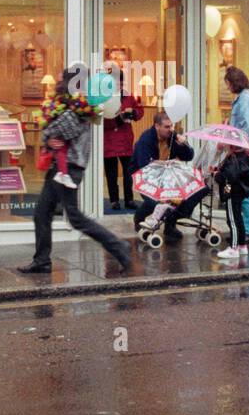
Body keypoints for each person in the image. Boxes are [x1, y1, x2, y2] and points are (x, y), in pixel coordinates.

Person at [18, 65, 132, 276]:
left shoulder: (79, 108)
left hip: (68, 169)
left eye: (61, 80)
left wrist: (48, 135)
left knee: (75, 218)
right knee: (42, 213)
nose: (57, 84)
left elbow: (56, 130)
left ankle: (119, 247)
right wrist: (50, 137)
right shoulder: (73, 106)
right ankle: (42, 260)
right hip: (60, 168)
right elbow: (52, 133)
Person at [132, 111, 208, 239]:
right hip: (147, 175)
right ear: (157, 126)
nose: (171, 129)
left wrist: (184, 145)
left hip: (168, 175)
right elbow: (144, 164)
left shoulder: (173, 137)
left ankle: (170, 224)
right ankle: (139, 217)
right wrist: (166, 163)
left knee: (197, 191)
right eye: (167, 127)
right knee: (155, 201)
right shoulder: (146, 139)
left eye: (172, 126)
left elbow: (189, 156)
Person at [226, 66, 249, 242]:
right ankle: (244, 230)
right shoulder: (243, 98)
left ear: (235, 82)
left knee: (246, 190)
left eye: (228, 83)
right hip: (243, 149)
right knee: (243, 188)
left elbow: (248, 125)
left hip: (244, 151)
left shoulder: (245, 99)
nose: (227, 88)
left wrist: (237, 143)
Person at [101, 64, 142, 210]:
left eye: (120, 81)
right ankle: (114, 200)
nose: (118, 85)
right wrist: (119, 118)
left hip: (125, 140)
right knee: (111, 174)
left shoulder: (127, 96)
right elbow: (102, 121)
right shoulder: (103, 98)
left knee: (128, 173)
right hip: (109, 141)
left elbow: (139, 111)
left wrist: (133, 113)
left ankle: (129, 199)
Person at [211, 142, 249, 262]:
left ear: (232, 146)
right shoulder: (243, 156)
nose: (224, 146)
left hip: (232, 191)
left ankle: (233, 249)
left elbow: (228, 176)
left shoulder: (233, 158)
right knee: (238, 218)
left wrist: (216, 174)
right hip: (237, 191)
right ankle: (242, 246)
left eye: (226, 145)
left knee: (232, 220)